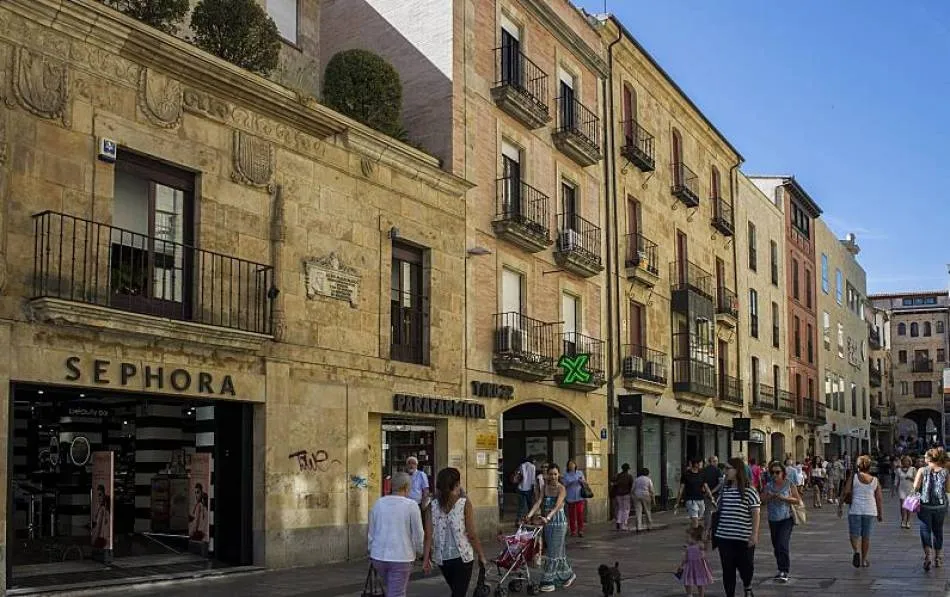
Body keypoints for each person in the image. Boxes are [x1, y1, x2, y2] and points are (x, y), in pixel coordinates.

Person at [423, 467, 487, 597]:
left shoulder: (432, 506)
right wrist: (481, 554)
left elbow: (428, 536)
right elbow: (472, 535)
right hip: (463, 558)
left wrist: (425, 559)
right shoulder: (464, 504)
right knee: (459, 593)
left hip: (442, 559)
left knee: (457, 592)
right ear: (456, 484)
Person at [368, 472, 424, 597]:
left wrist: (371, 550)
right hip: (401, 556)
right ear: (406, 487)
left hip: (379, 556)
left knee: (392, 589)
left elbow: (371, 532)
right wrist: (420, 551)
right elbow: (418, 533)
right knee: (397, 593)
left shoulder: (378, 503)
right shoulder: (411, 505)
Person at [713, 458, 760, 597]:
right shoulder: (725, 490)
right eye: (725, 469)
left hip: (743, 537)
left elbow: (755, 513)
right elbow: (718, 511)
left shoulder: (749, 491)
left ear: (737, 470)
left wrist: (754, 534)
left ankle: (747, 586)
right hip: (724, 536)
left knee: (746, 567)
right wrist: (708, 529)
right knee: (728, 570)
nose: (725, 472)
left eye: (728, 469)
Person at [525, 464, 576, 591]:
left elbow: (558, 506)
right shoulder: (545, 487)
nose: (553, 476)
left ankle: (548, 581)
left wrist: (548, 517)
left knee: (553, 551)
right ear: (547, 475)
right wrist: (529, 515)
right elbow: (539, 502)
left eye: (555, 474)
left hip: (558, 522)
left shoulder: (562, 488)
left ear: (559, 475)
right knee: (558, 551)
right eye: (551, 474)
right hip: (547, 523)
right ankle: (568, 575)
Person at [838, 454, 884, 568]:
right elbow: (879, 498)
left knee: (854, 534)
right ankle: (864, 560)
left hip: (855, 509)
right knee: (866, 536)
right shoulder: (875, 480)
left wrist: (840, 505)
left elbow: (846, 492)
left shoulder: (854, 477)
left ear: (858, 466)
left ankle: (856, 551)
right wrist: (880, 513)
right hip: (870, 510)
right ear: (869, 467)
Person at [761, 460, 802, 583]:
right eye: (772, 473)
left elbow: (797, 500)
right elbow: (761, 499)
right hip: (773, 519)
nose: (774, 475)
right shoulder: (768, 486)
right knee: (776, 545)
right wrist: (769, 497)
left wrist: (784, 498)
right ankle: (780, 568)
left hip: (786, 518)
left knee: (782, 544)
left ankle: (784, 570)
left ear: (783, 473)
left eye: (777, 472)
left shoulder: (789, 484)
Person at [913, 448, 950, 570]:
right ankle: (938, 558)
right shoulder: (945, 472)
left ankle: (928, 556)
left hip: (925, 505)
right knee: (938, 530)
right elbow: (948, 489)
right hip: (940, 506)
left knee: (925, 530)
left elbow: (916, 487)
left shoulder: (922, 470)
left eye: (925, 457)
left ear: (929, 459)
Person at [677, 525, 714, 597]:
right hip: (691, 566)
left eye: (688, 537)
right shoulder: (689, 547)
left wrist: (707, 540)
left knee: (700, 582)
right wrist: (681, 566)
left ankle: (700, 595)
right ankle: (690, 594)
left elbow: (705, 549)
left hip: (699, 567)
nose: (686, 539)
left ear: (694, 538)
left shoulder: (700, 545)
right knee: (688, 582)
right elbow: (685, 558)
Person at [678, 459, 709, 529]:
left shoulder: (702, 474)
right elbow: (681, 489)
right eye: (701, 463)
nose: (702, 465)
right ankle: (696, 538)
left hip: (700, 500)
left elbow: (706, 486)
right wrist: (677, 501)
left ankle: (691, 534)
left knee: (696, 520)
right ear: (696, 464)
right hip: (691, 500)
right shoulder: (686, 474)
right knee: (695, 521)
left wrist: (711, 497)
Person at [562, 460, 587, 537]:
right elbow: (564, 484)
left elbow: (585, 482)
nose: (571, 466)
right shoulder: (566, 474)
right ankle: (573, 530)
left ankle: (580, 530)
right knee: (571, 515)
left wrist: (581, 481)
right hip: (570, 497)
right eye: (570, 464)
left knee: (580, 513)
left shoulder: (580, 473)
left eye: (573, 464)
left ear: (575, 465)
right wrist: (572, 481)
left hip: (579, 496)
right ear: (568, 466)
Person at [895, 456, 917, 529]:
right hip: (902, 489)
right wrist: (894, 489)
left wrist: (911, 478)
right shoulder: (898, 470)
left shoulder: (913, 469)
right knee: (902, 506)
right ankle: (903, 520)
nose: (905, 462)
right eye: (904, 461)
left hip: (910, 489)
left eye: (907, 461)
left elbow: (916, 480)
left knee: (909, 506)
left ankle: (908, 521)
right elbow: (896, 480)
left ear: (909, 462)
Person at [702, 456, 722, 534]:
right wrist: (713, 491)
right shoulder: (718, 470)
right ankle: (713, 529)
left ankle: (707, 529)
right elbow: (720, 483)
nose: (716, 463)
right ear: (710, 462)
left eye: (716, 461)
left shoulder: (704, 470)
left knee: (707, 511)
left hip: (706, 494)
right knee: (716, 512)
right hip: (716, 494)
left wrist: (707, 491)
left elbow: (701, 482)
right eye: (715, 461)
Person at [632, 467, 656, 532]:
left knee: (638, 511)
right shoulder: (648, 480)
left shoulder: (636, 479)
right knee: (647, 511)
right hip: (646, 495)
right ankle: (649, 526)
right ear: (647, 473)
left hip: (637, 495)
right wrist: (654, 500)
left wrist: (633, 496)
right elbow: (651, 490)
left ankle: (638, 527)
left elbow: (632, 489)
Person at [612, 463, 634, 531]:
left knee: (620, 509)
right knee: (626, 509)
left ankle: (618, 521)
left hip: (618, 494)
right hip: (626, 494)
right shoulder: (629, 476)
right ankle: (624, 524)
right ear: (628, 469)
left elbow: (613, 481)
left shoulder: (618, 475)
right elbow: (631, 485)